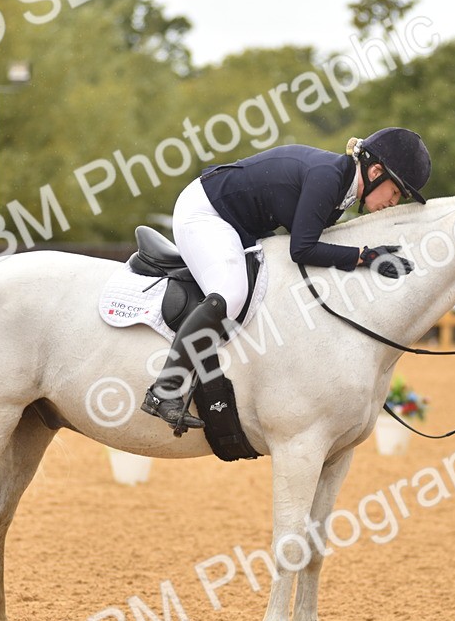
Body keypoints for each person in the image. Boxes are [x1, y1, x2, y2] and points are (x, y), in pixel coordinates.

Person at [141, 127, 432, 431]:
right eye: (396, 191)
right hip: (207, 213)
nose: (394, 201)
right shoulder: (328, 178)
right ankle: (165, 389)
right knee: (231, 293)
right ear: (375, 172)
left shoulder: (341, 186)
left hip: (239, 223)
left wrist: (364, 256)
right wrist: (365, 256)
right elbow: (302, 249)